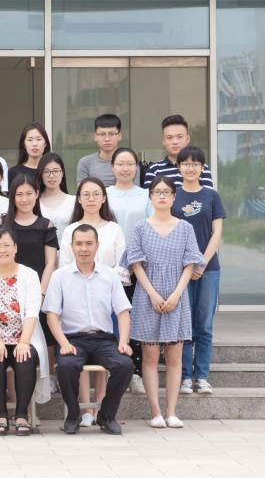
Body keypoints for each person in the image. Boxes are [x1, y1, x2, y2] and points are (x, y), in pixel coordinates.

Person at [121, 176, 204, 429]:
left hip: (177, 297)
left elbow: (190, 264)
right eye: (157, 192)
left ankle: (172, 412)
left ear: (174, 197)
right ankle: (155, 412)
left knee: (175, 357)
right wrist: (153, 294)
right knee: (149, 357)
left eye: (167, 192)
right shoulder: (140, 228)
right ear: (150, 196)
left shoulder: (185, 228)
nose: (162, 196)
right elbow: (135, 264)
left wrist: (176, 294)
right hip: (147, 297)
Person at [43, 224, 134, 435]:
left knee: (124, 365)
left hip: (104, 339)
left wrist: (124, 342)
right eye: (79, 244)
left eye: (89, 243)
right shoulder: (60, 276)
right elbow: (51, 315)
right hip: (73, 339)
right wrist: (63, 344)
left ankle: (106, 415)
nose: (84, 248)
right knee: (66, 366)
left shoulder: (110, 275)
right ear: (71, 246)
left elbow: (122, 312)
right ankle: (73, 414)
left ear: (97, 245)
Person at [59, 177, 129, 422]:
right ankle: (85, 409)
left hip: (107, 294)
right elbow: (64, 263)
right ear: (79, 199)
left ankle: (100, 407)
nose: (91, 199)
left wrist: (104, 277)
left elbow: (122, 263)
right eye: (86, 194)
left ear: (103, 198)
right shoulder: (70, 229)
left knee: (105, 350)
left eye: (96, 194)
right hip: (76, 295)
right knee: (78, 352)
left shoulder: (114, 228)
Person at [0, 228, 50, 436]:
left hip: (25, 336)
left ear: (15, 248)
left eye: (7, 245)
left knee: (26, 356)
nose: (2, 250)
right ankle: (0, 415)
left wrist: (24, 342)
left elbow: (32, 311)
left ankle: (22, 415)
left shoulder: (30, 274)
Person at [172, 146, 225, 396]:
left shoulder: (211, 196)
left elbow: (217, 232)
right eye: (186, 163)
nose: (190, 168)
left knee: (204, 324)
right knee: (184, 324)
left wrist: (201, 263)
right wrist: (189, 265)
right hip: (180, 269)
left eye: (195, 164)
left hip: (209, 269)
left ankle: (201, 376)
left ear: (202, 168)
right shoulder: (173, 195)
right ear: (179, 167)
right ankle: (185, 376)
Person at [3, 173, 59, 389]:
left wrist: (40, 293)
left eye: (29, 193)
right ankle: (10, 383)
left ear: (36, 194)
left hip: (39, 290)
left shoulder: (46, 225)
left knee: (45, 331)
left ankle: (49, 376)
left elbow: (51, 262)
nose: (24, 199)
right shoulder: (2, 223)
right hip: (7, 291)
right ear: (12, 196)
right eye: (19, 194)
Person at [106, 147, 149, 395]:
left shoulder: (145, 195)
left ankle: (135, 372)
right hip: (109, 266)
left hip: (138, 266)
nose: (125, 168)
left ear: (136, 167)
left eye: (130, 164)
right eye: (120, 164)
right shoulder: (104, 193)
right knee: (111, 317)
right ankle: (114, 368)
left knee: (135, 318)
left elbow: (151, 227)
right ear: (112, 167)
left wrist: (137, 263)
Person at [143, 114, 215, 189]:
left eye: (179, 137)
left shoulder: (201, 168)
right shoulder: (154, 169)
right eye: (169, 137)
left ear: (188, 139)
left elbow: (208, 195)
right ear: (163, 141)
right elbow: (149, 196)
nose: (175, 142)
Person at [76, 113, 137, 187]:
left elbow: (134, 190)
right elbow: (82, 191)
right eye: (102, 134)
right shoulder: (85, 163)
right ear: (95, 137)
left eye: (111, 134)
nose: (107, 139)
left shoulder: (131, 162)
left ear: (119, 136)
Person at [36, 153, 76, 234]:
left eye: (56, 171)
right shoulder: (34, 201)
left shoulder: (73, 201)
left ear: (62, 173)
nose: (51, 176)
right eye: (46, 171)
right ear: (41, 174)